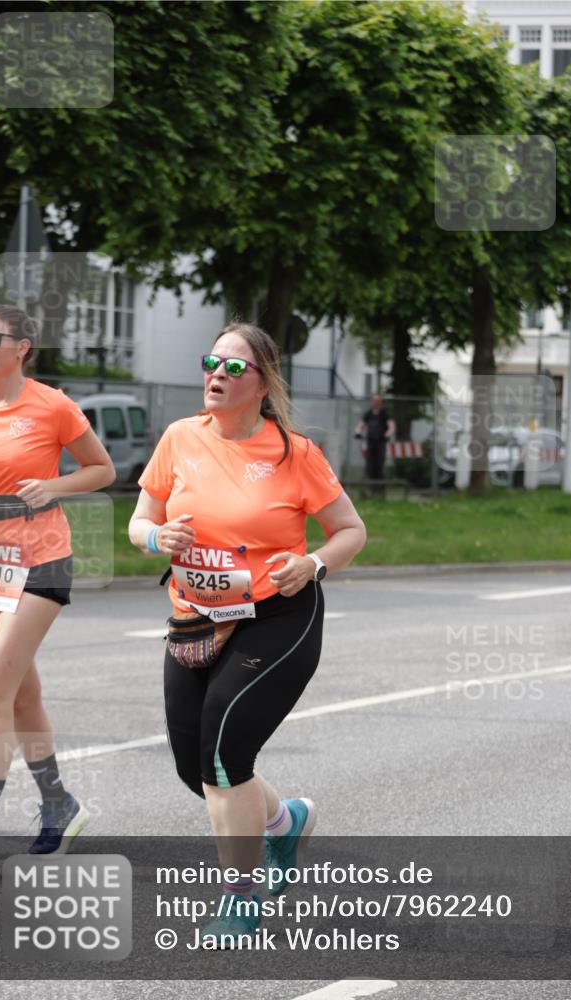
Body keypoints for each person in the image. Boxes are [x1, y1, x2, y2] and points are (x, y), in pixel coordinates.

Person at [128, 322, 366, 944]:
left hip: (278, 616)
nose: (216, 374)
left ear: (262, 383)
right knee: (194, 766)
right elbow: (140, 519)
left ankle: (243, 897)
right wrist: (156, 538)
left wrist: (311, 563)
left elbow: (350, 531)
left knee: (223, 757)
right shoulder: (180, 438)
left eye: (233, 367)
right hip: (196, 617)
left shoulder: (295, 452)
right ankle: (285, 821)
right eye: (211, 362)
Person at [0, 305, 115, 875]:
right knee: (20, 697)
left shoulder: (52, 406)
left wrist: (51, 486)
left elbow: (101, 470)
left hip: (39, 561)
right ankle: (59, 804)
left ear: (23, 346)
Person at [355, 393, 395, 493]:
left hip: (381, 443)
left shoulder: (384, 413)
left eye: (377, 401)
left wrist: (387, 434)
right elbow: (361, 425)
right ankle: (371, 489)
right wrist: (358, 432)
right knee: (370, 466)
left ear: (380, 402)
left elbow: (391, 426)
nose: (375, 403)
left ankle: (380, 491)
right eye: (374, 400)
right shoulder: (368, 413)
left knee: (379, 466)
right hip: (370, 443)